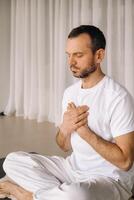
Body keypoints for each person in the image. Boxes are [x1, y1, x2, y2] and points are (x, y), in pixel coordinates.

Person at [0, 25, 134, 200]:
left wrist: (85, 133)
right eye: (68, 55)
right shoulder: (70, 93)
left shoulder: (118, 97)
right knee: (12, 161)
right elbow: (63, 146)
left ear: (99, 55)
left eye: (78, 55)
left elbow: (125, 162)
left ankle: (26, 195)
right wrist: (65, 128)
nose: (71, 63)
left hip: (109, 179)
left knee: (77, 195)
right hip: (72, 169)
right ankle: (53, 195)